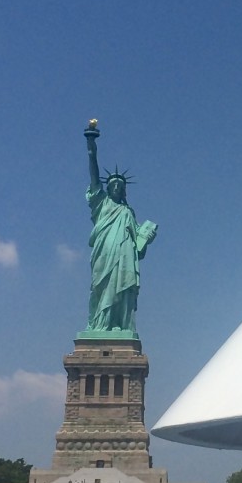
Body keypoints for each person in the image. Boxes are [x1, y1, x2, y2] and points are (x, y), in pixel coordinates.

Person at [84, 123, 157, 335]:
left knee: (121, 288)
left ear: (123, 190)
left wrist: (147, 236)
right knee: (102, 286)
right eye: (113, 184)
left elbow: (138, 243)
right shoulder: (101, 203)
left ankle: (119, 323)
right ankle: (100, 325)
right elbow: (94, 174)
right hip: (104, 251)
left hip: (124, 254)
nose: (116, 187)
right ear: (108, 188)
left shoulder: (128, 212)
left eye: (119, 186)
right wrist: (91, 146)